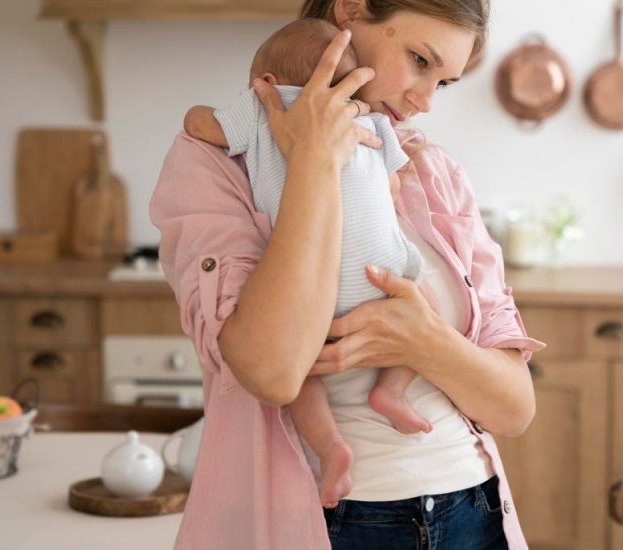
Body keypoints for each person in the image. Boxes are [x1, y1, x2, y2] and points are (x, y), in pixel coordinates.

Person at [150, 0, 545, 548]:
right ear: (352, 11)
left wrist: (424, 341)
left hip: (470, 508)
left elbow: (515, 408)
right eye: (419, 59)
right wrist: (314, 158)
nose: (425, 100)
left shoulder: (429, 170)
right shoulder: (221, 163)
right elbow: (273, 373)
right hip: (330, 521)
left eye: (445, 82)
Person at [182, 17, 437, 509]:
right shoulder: (372, 122)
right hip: (381, 273)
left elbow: (199, 125)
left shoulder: (260, 112)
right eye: (420, 62)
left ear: (268, 83)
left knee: (302, 370)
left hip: (314, 280)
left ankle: (330, 447)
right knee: (419, 307)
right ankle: (393, 389)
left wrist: (222, 108)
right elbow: (394, 185)